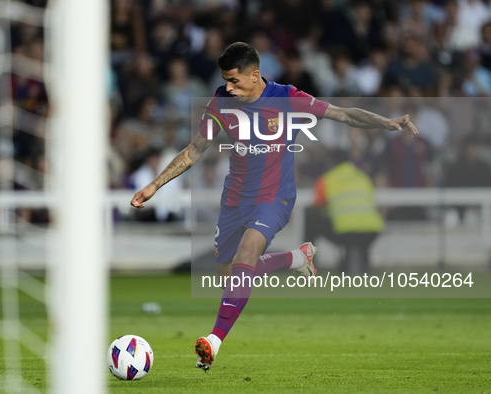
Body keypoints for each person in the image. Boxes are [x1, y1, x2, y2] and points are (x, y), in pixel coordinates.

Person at [130, 42, 418, 371]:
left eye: (234, 80)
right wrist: (155, 183)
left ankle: (213, 340)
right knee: (231, 276)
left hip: (275, 196)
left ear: (255, 76)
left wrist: (386, 122)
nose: (228, 87)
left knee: (247, 253)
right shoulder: (221, 103)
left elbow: (343, 114)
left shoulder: (287, 97)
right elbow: (196, 150)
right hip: (235, 199)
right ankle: (296, 258)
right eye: (225, 79)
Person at [305, 150, 384, 274]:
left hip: (344, 231)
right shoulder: (363, 177)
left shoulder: (326, 179)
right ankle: (363, 266)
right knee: (358, 234)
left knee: (310, 217)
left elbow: (317, 206)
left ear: (332, 162)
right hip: (372, 230)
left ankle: (309, 266)